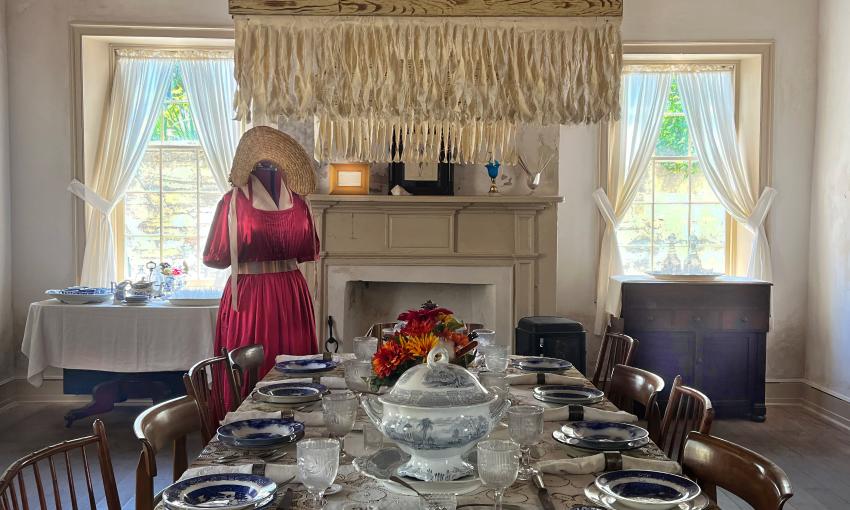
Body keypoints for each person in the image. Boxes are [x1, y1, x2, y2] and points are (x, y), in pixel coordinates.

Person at [203, 126, 319, 413]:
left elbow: (215, 256)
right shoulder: (237, 202)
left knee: (291, 363)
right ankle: (248, 420)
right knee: (255, 362)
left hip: (263, 291)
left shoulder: (238, 203)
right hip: (272, 293)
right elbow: (309, 250)